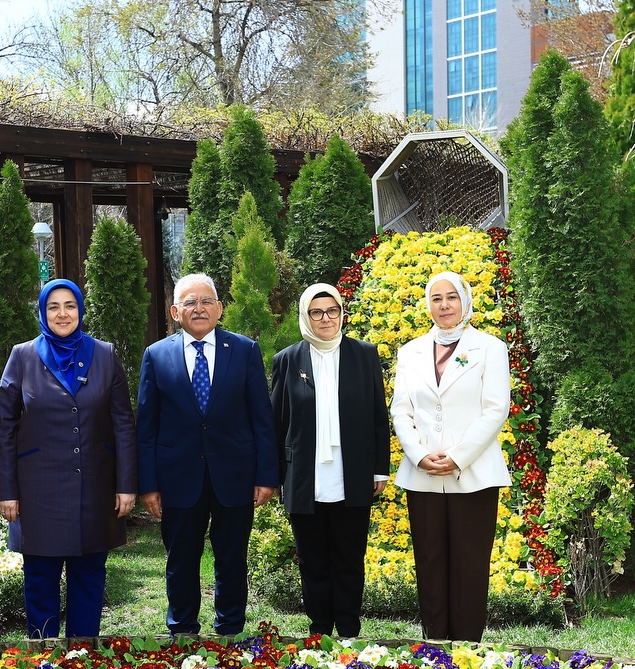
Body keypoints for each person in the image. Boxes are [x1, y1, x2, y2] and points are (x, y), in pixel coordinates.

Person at [136, 273, 279, 636]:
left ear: (219, 309)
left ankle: (229, 629)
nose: (198, 309)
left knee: (232, 559)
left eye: (205, 302)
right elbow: (147, 427)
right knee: (181, 560)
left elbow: (262, 418)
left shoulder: (245, 350)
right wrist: (148, 485)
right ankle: (182, 629)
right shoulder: (156, 355)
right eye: (189, 302)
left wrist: (266, 476)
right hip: (177, 478)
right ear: (175, 311)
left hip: (235, 476)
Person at [0, 279, 137, 638]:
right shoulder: (22, 356)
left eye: (70, 306)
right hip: (37, 492)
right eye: (53, 306)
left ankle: (82, 657)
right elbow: (5, 429)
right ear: (42, 312)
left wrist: (126, 485)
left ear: (80, 310)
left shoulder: (104, 354)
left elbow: (123, 423)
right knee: (40, 579)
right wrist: (6, 491)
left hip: (95, 491)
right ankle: (43, 656)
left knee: (89, 578)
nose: (62, 313)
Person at [391, 271, 511, 642]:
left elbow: (495, 409)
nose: (444, 305)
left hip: (473, 475)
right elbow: (401, 410)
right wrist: (420, 455)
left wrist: (457, 457)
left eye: (451, 297)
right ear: (428, 305)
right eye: (436, 298)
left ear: (465, 301)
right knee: (429, 563)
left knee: (469, 564)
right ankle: (435, 645)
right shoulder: (409, 352)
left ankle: (468, 646)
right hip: (422, 474)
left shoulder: (490, 348)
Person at [270, 283, 390, 639]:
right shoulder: (287, 360)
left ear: (342, 314)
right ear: (305, 317)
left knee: (349, 559)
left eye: (332, 310)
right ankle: (319, 631)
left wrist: (379, 468)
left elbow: (377, 417)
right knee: (312, 561)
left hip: (352, 473)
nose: (326, 318)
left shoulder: (364, 355)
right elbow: (277, 423)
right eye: (317, 312)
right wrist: (276, 476)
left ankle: (350, 631)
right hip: (304, 476)